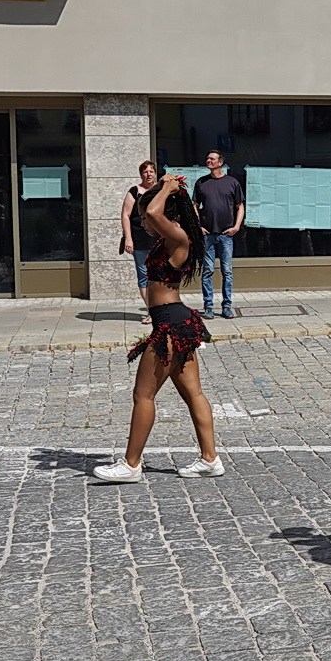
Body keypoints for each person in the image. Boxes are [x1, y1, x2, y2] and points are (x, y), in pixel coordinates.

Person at [94, 176, 224, 482]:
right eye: (138, 217)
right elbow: (152, 214)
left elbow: (154, 213)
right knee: (194, 395)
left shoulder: (177, 236)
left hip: (169, 324)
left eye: (142, 216)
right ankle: (210, 459)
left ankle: (130, 465)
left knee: (143, 395)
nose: (143, 221)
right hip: (176, 321)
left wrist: (167, 187)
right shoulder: (171, 239)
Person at [193, 150, 245, 319]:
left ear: (220, 162)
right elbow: (194, 205)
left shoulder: (232, 182)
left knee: (227, 271)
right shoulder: (201, 182)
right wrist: (198, 225)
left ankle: (226, 306)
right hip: (207, 234)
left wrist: (237, 226)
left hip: (226, 234)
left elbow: (240, 206)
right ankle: (208, 306)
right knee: (207, 271)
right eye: (207, 158)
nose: (208, 160)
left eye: (212, 158)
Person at [121, 160, 160, 319]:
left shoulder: (160, 191)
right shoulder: (134, 191)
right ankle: (151, 311)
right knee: (144, 276)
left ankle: (159, 309)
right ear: (141, 174)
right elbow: (125, 215)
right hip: (139, 239)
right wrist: (128, 239)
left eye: (151, 171)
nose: (148, 174)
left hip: (158, 240)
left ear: (155, 173)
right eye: (145, 172)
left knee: (158, 276)